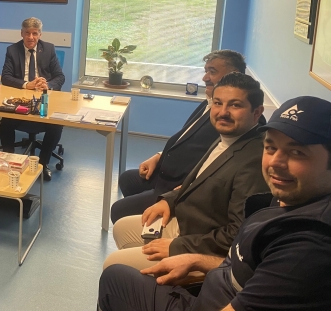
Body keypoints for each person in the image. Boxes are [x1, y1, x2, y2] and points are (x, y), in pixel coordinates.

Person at [98, 96, 331, 311]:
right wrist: (197, 260)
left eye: (297, 152)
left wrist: (182, 247)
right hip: (212, 280)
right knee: (116, 276)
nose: (275, 162)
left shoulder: (308, 245)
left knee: (115, 278)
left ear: (256, 112)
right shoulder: (287, 198)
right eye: (271, 148)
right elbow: (246, 268)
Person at [103, 73, 269, 270]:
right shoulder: (227, 138)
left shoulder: (254, 161)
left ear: (257, 113)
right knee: (121, 228)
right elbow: (198, 180)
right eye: (218, 103)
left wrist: (178, 246)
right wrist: (170, 200)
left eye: (235, 105)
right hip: (188, 221)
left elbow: (237, 234)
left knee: (113, 264)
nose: (223, 112)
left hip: (200, 242)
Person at [111, 50, 247, 224]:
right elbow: (185, 138)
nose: (205, 77)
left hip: (180, 186)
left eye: (212, 72)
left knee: (119, 210)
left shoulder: (231, 118)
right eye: (206, 71)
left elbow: (218, 164)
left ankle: (147, 224)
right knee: (127, 179)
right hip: (168, 173)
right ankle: (147, 224)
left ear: (233, 75)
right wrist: (159, 157)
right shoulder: (208, 103)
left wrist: (180, 192)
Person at [0, 17, 65, 181]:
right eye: (27, 33)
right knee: (5, 121)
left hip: (43, 100)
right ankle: (9, 161)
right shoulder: (12, 50)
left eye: (34, 33)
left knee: (56, 124)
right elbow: (6, 77)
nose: (31, 37)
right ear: (21, 33)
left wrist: (47, 85)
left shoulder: (49, 49)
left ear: (40, 35)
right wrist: (26, 84)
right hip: (21, 100)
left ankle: (43, 163)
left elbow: (60, 76)